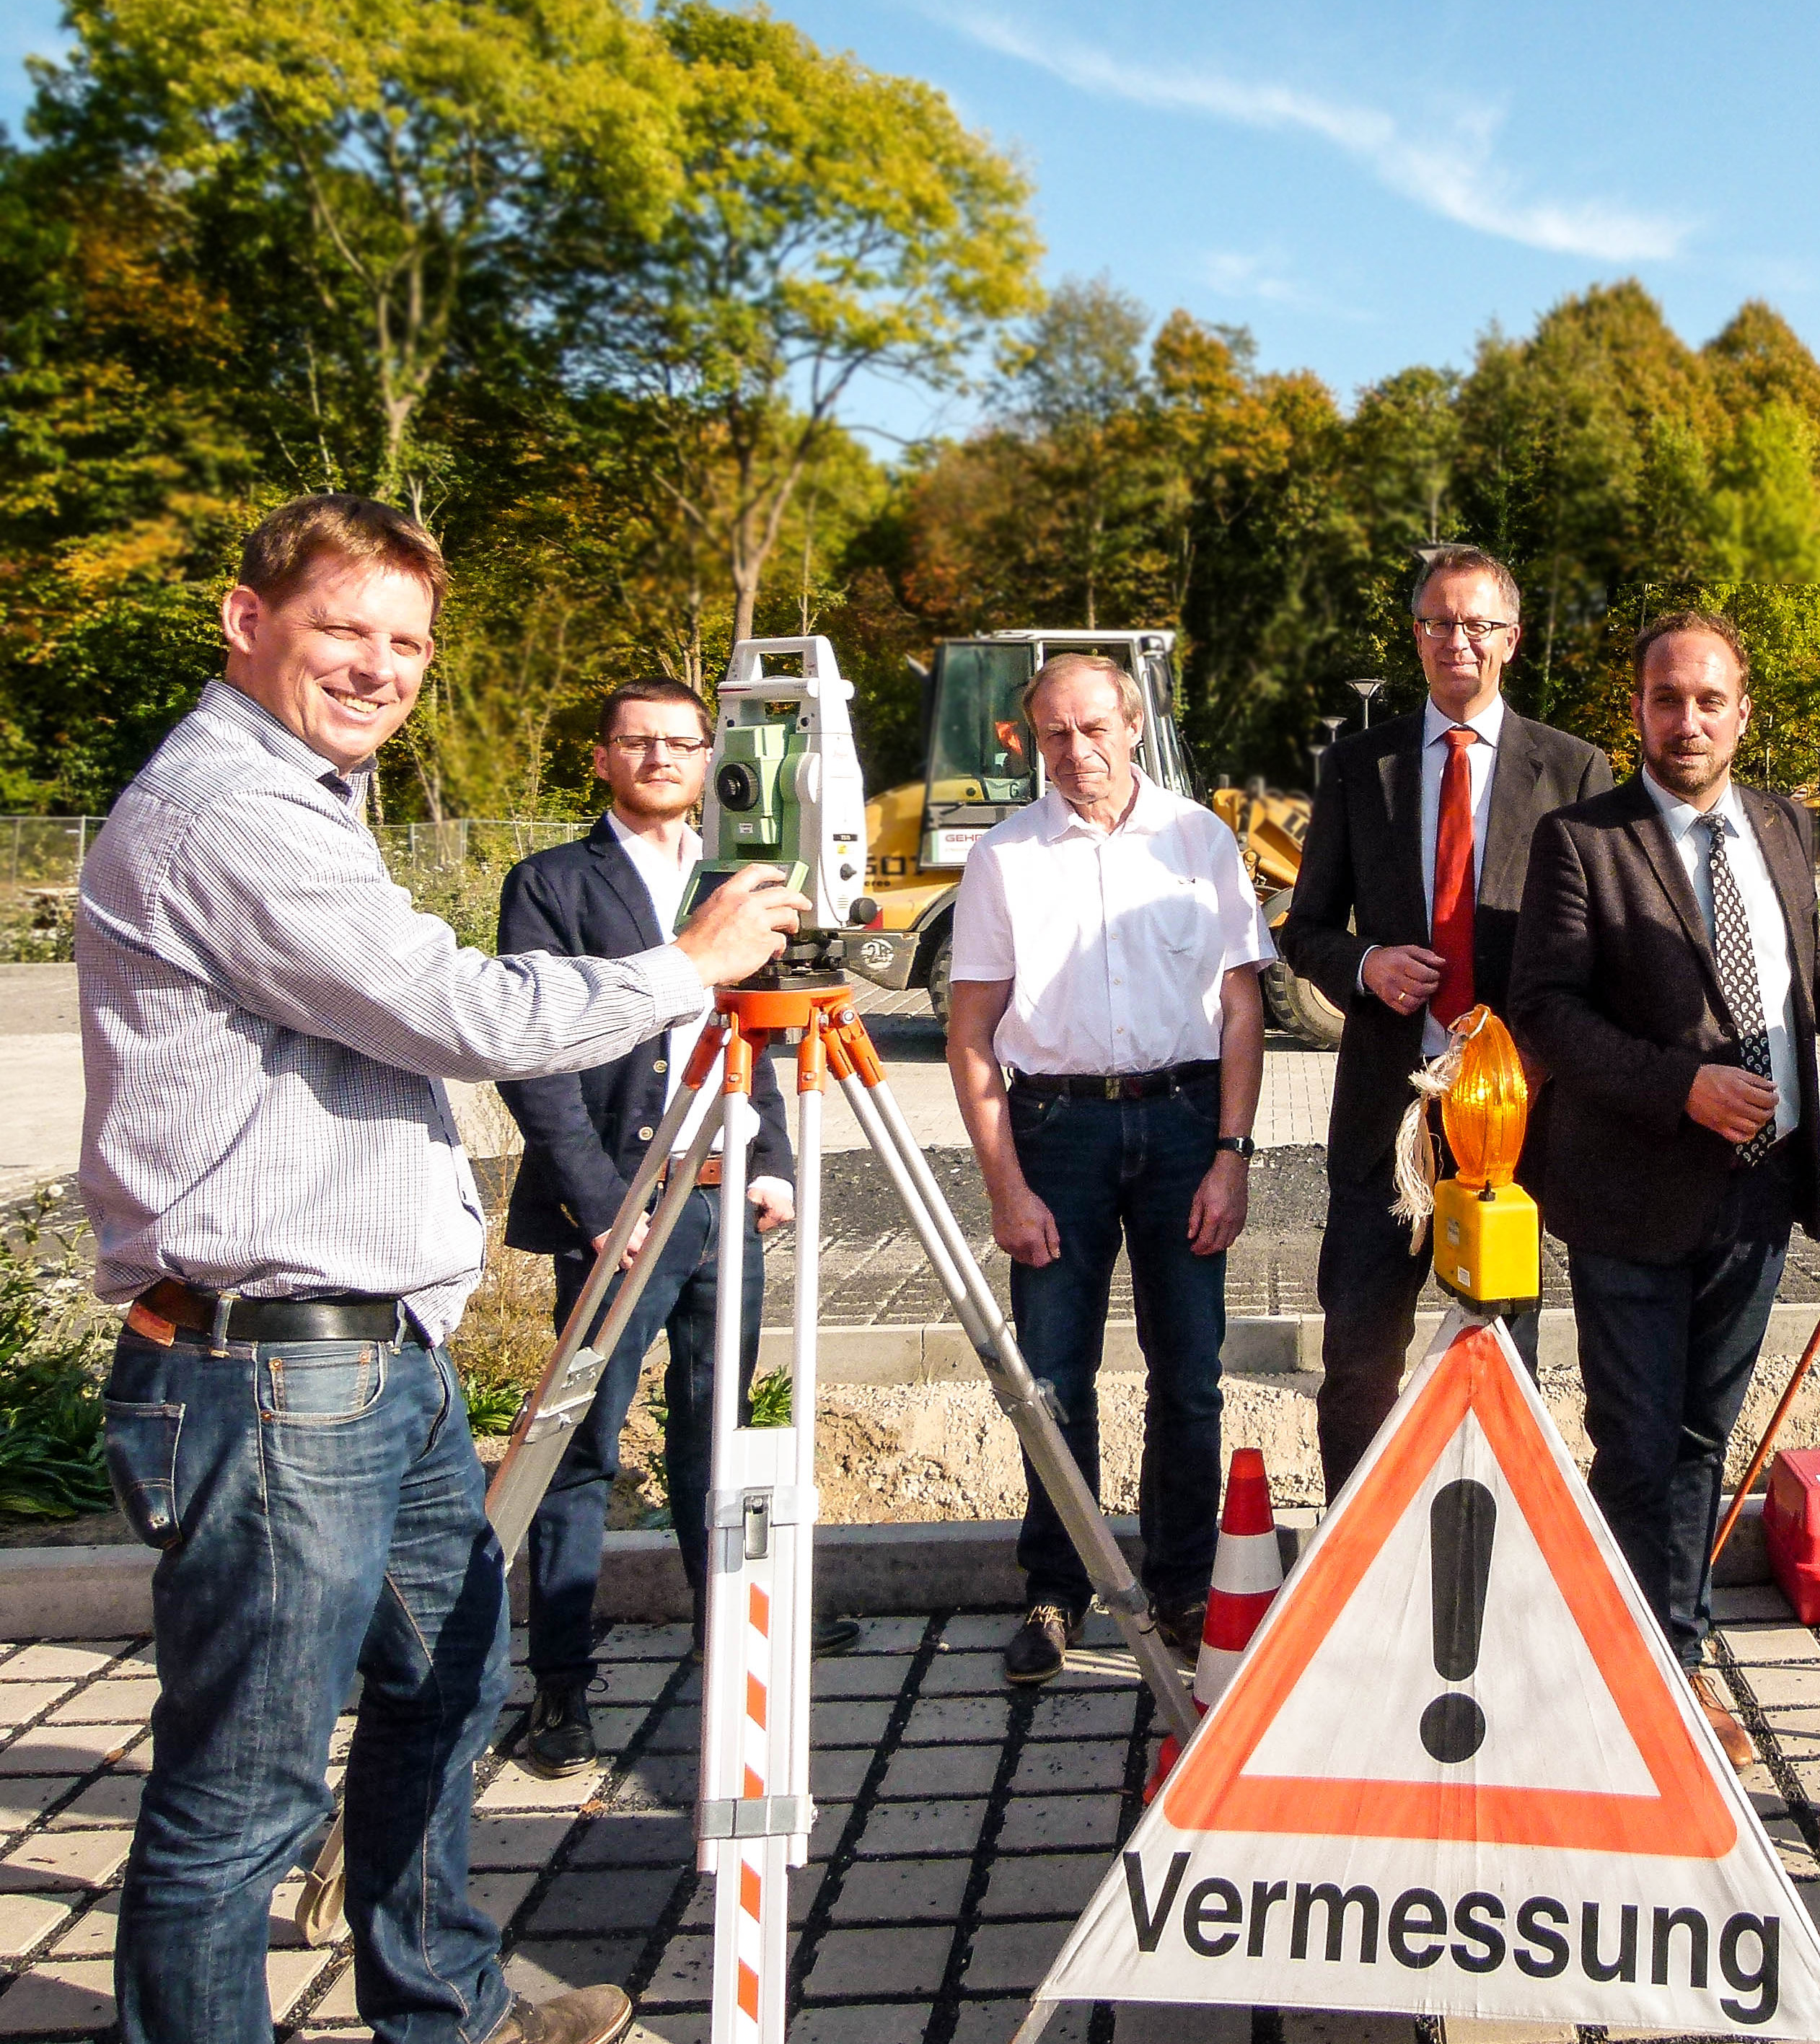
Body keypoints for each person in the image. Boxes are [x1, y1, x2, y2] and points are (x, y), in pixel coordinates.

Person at [80, 495, 804, 2044]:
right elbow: (458, 1012)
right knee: (245, 1793)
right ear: (246, 618)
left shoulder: (308, 794)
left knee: (450, 1675)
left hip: (367, 1357)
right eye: (344, 628)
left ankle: (444, 2007)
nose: (380, 666)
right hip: (270, 1367)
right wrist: (690, 966)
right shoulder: (233, 810)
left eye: (407, 642)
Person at [1510, 610, 1820, 1767]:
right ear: (1636, 712)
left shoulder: (1781, 825)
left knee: (1702, 1436)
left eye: (1707, 700)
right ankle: (1639, 1680)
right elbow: (1545, 1010)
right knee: (1637, 1442)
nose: (1686, 720)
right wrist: (1680, 1087)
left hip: (1757, 1195)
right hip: (1629, 1192)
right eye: (1665, 699)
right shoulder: (1581, 841)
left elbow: (1799, 977)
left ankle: (1673, 1654)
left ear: (1741, 712)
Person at [495, 677, 863, 1777]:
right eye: (636, 741)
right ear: (601, 758)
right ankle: (561, 1686)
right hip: (616, 1211)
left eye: (680, 742)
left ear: (712, 758)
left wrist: (775, 1159)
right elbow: (533, 1054)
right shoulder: (552, 883)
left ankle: (732, 1636)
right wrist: (599, 1205)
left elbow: (762, 1030)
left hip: (722, 1199)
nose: (660, 758)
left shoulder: (747, 879)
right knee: (581, 1448)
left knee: (719, 1437)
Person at [945, 654, 1275, 1688]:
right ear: (1030, 741)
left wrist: (1230, 1156)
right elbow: (970, 1036)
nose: (1076, 750)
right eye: (1054, 733)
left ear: (1134, 724)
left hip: (1183, 1127)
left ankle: (1181, 1587)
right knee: (1051, 1380)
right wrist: (1005, 1187)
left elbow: (1240, 1011)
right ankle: (1056, 1588)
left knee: (1190, 1375)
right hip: (1057, 1135)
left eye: (1093, 727)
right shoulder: (1002, 858)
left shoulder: (1200, 839)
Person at [1281, 545, 1613, 1496]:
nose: (1453, 639)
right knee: (1358, 1361)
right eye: (1434, 621)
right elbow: (1303, 930)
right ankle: (1356, 1546)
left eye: (1474, 623)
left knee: (1505, 1354)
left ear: (1511, 639)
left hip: (1513, 1117)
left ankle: (1497, 1541)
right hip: (1385, 1115)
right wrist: (1365, 964)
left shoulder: (1573, 769)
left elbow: (1599, 945)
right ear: (1416, 635)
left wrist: (1543, 1052)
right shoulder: (1359, 766)